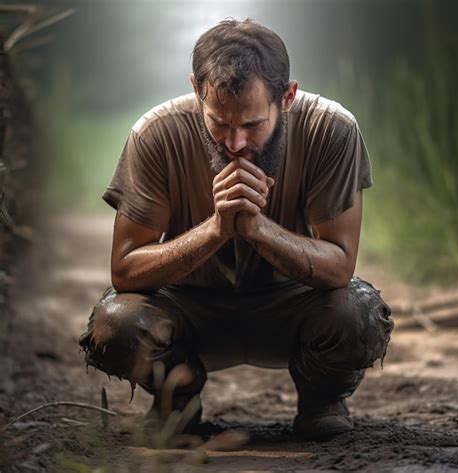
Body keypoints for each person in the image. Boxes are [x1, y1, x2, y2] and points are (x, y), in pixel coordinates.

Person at [79, 18, 393, 441]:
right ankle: (178, 398)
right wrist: (216, 229)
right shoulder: (154, 134)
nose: (235, 143)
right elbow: (125, 271)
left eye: (252, 124)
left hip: (295, 307)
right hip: (188, 309)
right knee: (115, 322)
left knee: (358, 314)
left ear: (288, 96)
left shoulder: (331, 129)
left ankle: (322, 398)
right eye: (219, 123)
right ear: (196, 90)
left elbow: (338, 267)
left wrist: (258, 228)